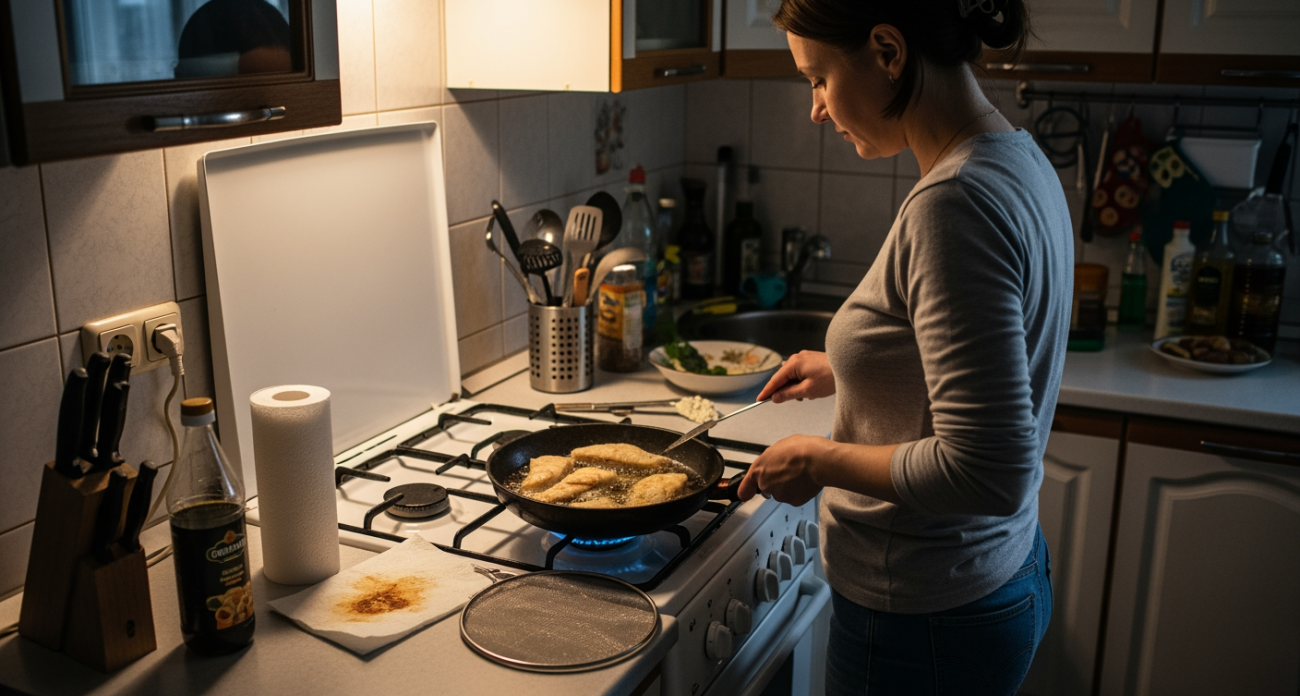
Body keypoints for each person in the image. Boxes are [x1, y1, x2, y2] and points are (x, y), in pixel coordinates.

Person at [735, 1, 1072, 693]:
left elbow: (987, 470)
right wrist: (852, 370)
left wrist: (819, 460)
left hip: (926, 616)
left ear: (888, 52)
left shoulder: (953, 204)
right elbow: (975, 351)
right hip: (995, 576)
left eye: (819, 78)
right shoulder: (1017, 156)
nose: (817, 109)